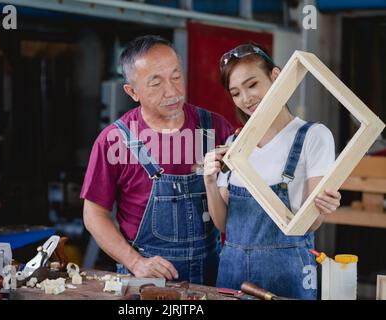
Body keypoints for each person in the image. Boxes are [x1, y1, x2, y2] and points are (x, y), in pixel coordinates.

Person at [81, 35, 234, 285]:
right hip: (148, 281)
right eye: (156, 83)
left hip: (213, 273)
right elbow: (94, 215)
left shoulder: (214, 128)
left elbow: (239, 203)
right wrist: (135, 262)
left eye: (176, 76)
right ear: (132, 92)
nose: (172, 91)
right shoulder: (114, 140)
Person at [203, 43, 341, 299]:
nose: (246, 98)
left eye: (252, 84)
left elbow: (309, 224)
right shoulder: (235, 145)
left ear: (276, 76)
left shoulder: (313, 136)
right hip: (231, 271)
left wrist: (324, 206)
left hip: (287, 271)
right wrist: (210, 182)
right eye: (235, 92)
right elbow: (223, 225)